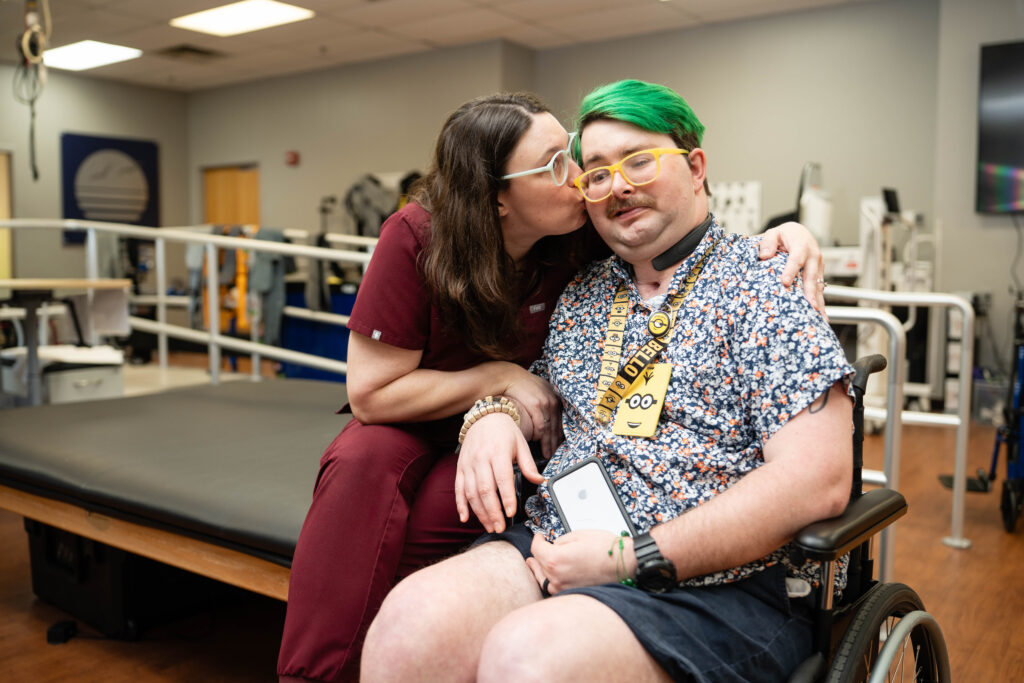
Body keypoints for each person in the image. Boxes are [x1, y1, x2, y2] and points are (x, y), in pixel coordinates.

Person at [278, 92, 827, 682]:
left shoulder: (766, 285)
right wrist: (493, 410)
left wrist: (631, 557)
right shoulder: (582, 289)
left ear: (696, 168)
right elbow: (538, 387)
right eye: (593, 172)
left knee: (527, 659)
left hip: (710, 579)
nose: (611, 187)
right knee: (405, 625)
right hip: (551, 534)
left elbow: (815, 479)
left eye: (638, 161)